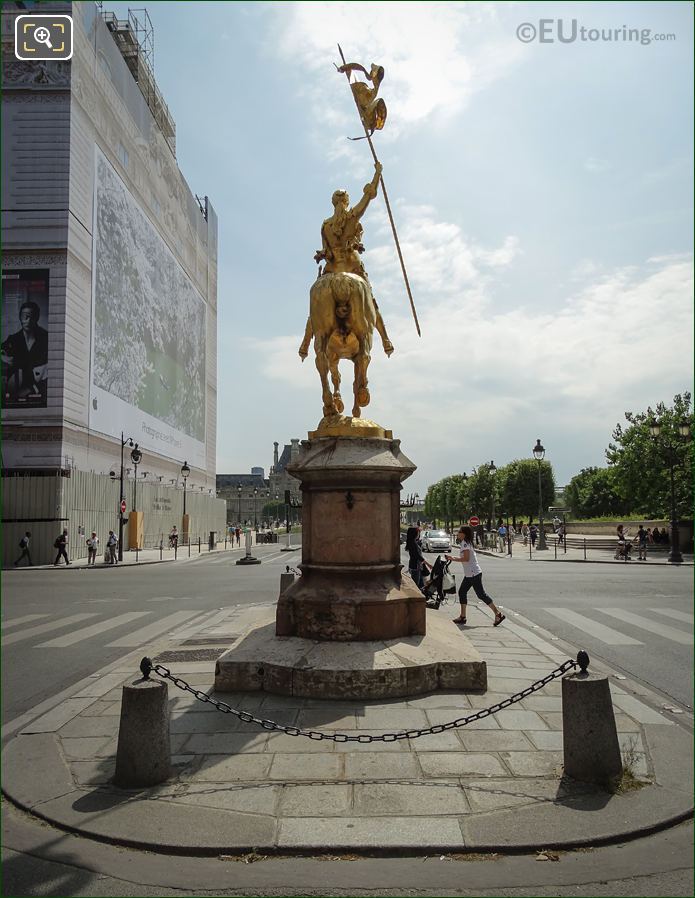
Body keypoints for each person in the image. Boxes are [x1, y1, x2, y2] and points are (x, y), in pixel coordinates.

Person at [445, 526, 505, 627]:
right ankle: (463, 616)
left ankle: (498, 613)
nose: (458, 533)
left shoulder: (465, 544)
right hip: (470, 574)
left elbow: (466, 559)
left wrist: (453, 558)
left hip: (473, 574)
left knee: (481, 594)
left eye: (459, 532)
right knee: (462, 592)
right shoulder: (466, 543)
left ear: (464, 534)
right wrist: (452, 557)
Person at [1, 301, 48, 404]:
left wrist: (33, 389)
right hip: (15, 393)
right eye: (24, 316)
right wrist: (3, 357)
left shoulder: (46, 338)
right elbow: (2, 351)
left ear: (37, 318)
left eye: (31, 316)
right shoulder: (13, 339)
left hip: (40, 393)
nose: (28, 320)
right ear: (19, 318)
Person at [405, 525, 431, 590]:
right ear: (414, 534)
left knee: (421, 585)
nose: (419, 534)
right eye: (418, 533)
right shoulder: (413, 544)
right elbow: (418, 556)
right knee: (416, 586)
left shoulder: (413, 542)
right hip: (415, 567)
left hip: (416, 566)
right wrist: (428, 564)